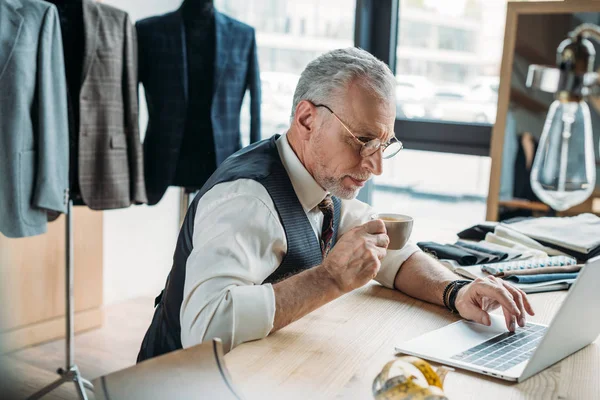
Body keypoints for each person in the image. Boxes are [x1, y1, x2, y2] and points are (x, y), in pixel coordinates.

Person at [137, 47, 534, 362]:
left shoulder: (323, 182)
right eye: (362, 141)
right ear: (307, 119)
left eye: (383, 145)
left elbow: (390, 252)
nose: (375, 166)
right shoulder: (245, 199)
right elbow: (204, 328)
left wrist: (457, 291)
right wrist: (329, 278)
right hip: (179, 383)